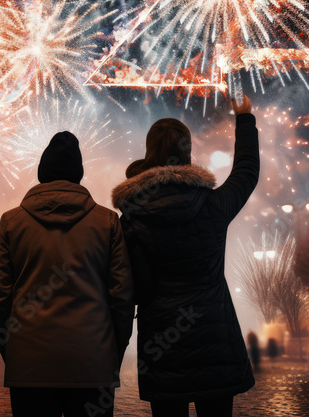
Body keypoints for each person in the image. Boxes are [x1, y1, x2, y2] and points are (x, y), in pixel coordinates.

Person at [111, 95, 259, 417]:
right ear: (188, 151)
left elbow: (128, 282)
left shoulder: (132, 218)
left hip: (163, 343)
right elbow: (246, 172)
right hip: (215, 340)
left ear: (149, 153)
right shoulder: (214, 205)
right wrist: (245, 118)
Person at [0, 131, 135, 417]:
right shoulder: (107, 222)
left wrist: (14, 353)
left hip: (29, 364)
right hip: (92, 362)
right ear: (78, 173)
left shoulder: (11, 222)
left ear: (42, 172)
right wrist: (111, 353)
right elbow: (122, 297)